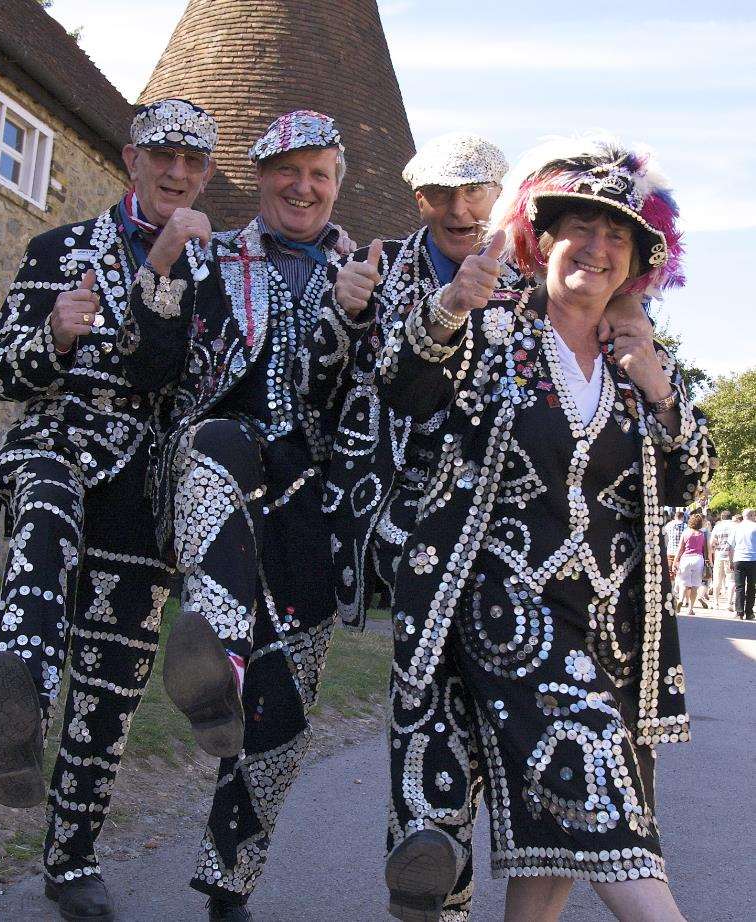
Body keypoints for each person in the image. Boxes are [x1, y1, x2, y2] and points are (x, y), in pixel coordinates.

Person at [375, 135, 714, 921]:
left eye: (617, 236)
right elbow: (405, 386)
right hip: (502, 608)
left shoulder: (639, 363)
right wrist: (452, 304)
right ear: (543, 238)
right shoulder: (493, 328)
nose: (595, 249)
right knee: (597, 785)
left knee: (557, 830)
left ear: (636, 262)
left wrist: (663, 393)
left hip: (609, 628)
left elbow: (689, 480)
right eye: (579, 229)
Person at [118, 110, 352, 922]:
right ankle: (215, 656)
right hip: (227, 464)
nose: (302, 187)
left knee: (285, 712)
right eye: (287, 171)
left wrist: (361, 316)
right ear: (259, 180)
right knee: (220, 441)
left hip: (312, 502)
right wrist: (162, 269)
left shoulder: (366, 271)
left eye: (318, 173)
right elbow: (150, 365)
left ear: (336, 184)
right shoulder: (213, 258)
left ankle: (230, 883)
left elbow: (389, 397)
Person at [0, 98, 219, 922]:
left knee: (114, 679)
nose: (177, 173)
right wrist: (51, 335)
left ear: (205, 176)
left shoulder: (206, 271)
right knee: (45, 514)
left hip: (140, 490)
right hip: (58, 447)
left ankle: (73, 859)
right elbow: (3, 375)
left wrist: (162, 272)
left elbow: (176, 382)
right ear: (131, 158)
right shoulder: (58, 249)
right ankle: (14, 710)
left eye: (194, 164)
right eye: (164, 156)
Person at [299, 132, 511, 922]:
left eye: (475, 190)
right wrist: (342, 313)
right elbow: (319, 392)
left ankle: (447, 848)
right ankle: (427, 862)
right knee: (425, 679)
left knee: (495, 695)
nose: (459, 209)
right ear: (416, 199)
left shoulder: (535, 270)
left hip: (508, 516)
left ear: (497, 191)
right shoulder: (378, 269)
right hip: (410, 508)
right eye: (440, 195)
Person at [673, 513, 708, 615]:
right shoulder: (702, 534)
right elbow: (705, 550)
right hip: (698, 559)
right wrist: (707, 562)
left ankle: (680, 600)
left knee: (684, 583)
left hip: (686, 559)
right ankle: (690, 609)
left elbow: (680, 549)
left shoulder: (685, 533)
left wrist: (675, 561)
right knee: (695, 586)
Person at [732, 509, 756, 620]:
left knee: (739, 586)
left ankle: (739, 612)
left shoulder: (736, 527)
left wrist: (731, 560)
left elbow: (731, 546)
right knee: (751, 586)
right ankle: (749, 612)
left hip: (739, 558)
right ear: (752, 515)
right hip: (753, 559)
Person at [709, 510, 734, 607]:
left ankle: (716, 602)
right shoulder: (735, 526)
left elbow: (712, 543)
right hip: (731, 555)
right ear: (730, 517)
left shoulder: (717, 526)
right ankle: (729, 602)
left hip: (719, 554)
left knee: (717, 579)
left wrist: (712, 554)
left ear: (722, 517)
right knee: (731, 580)